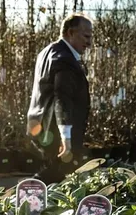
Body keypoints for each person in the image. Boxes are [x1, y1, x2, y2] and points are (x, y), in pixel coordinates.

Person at [26, 13, 92, 184]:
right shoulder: (65, 59)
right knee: (54, 180)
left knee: (48, 178)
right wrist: (66, 138)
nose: (89, 43)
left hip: (41, 128)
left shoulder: (46, 52)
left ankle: (27, 202)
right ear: (70, 32)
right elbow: (62, 98)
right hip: (55, 133)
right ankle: (23, 202)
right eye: (86, 36)